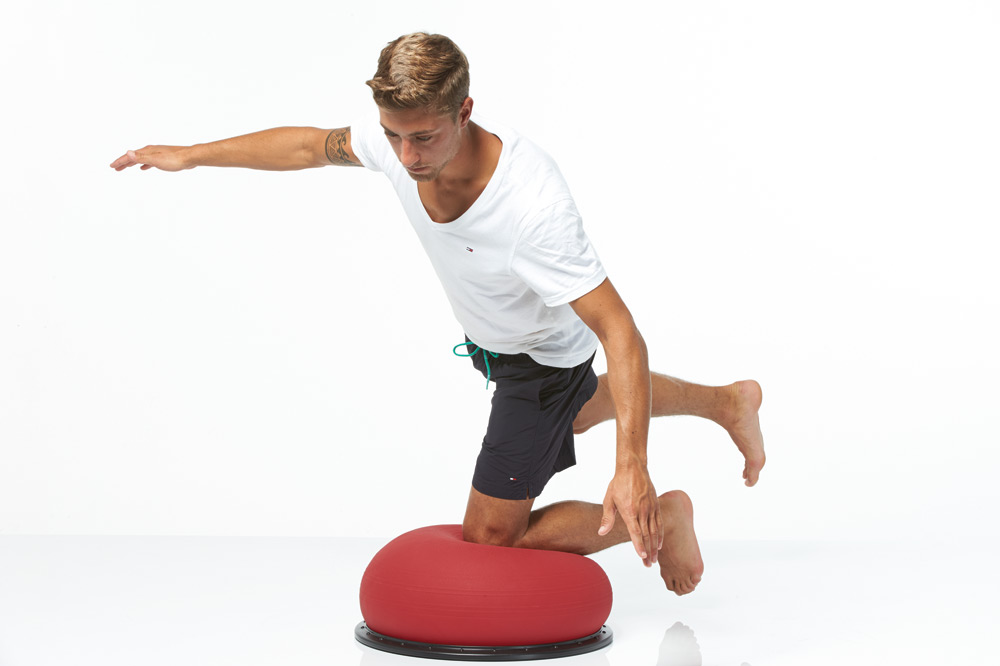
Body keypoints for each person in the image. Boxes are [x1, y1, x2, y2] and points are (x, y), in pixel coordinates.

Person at [110, 32, 765, 596]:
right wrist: (190, 154)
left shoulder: (532, 207)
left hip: (537, 363)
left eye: (423, 137)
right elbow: (307, 147)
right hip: (501, 345)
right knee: (580, 408)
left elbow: (620, 331)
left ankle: (662, 516)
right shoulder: (400, 139)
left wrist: (633, 468)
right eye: (393, 136)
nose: (406, 157)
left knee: (492, 534)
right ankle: (727, 402)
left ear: (465, 110)